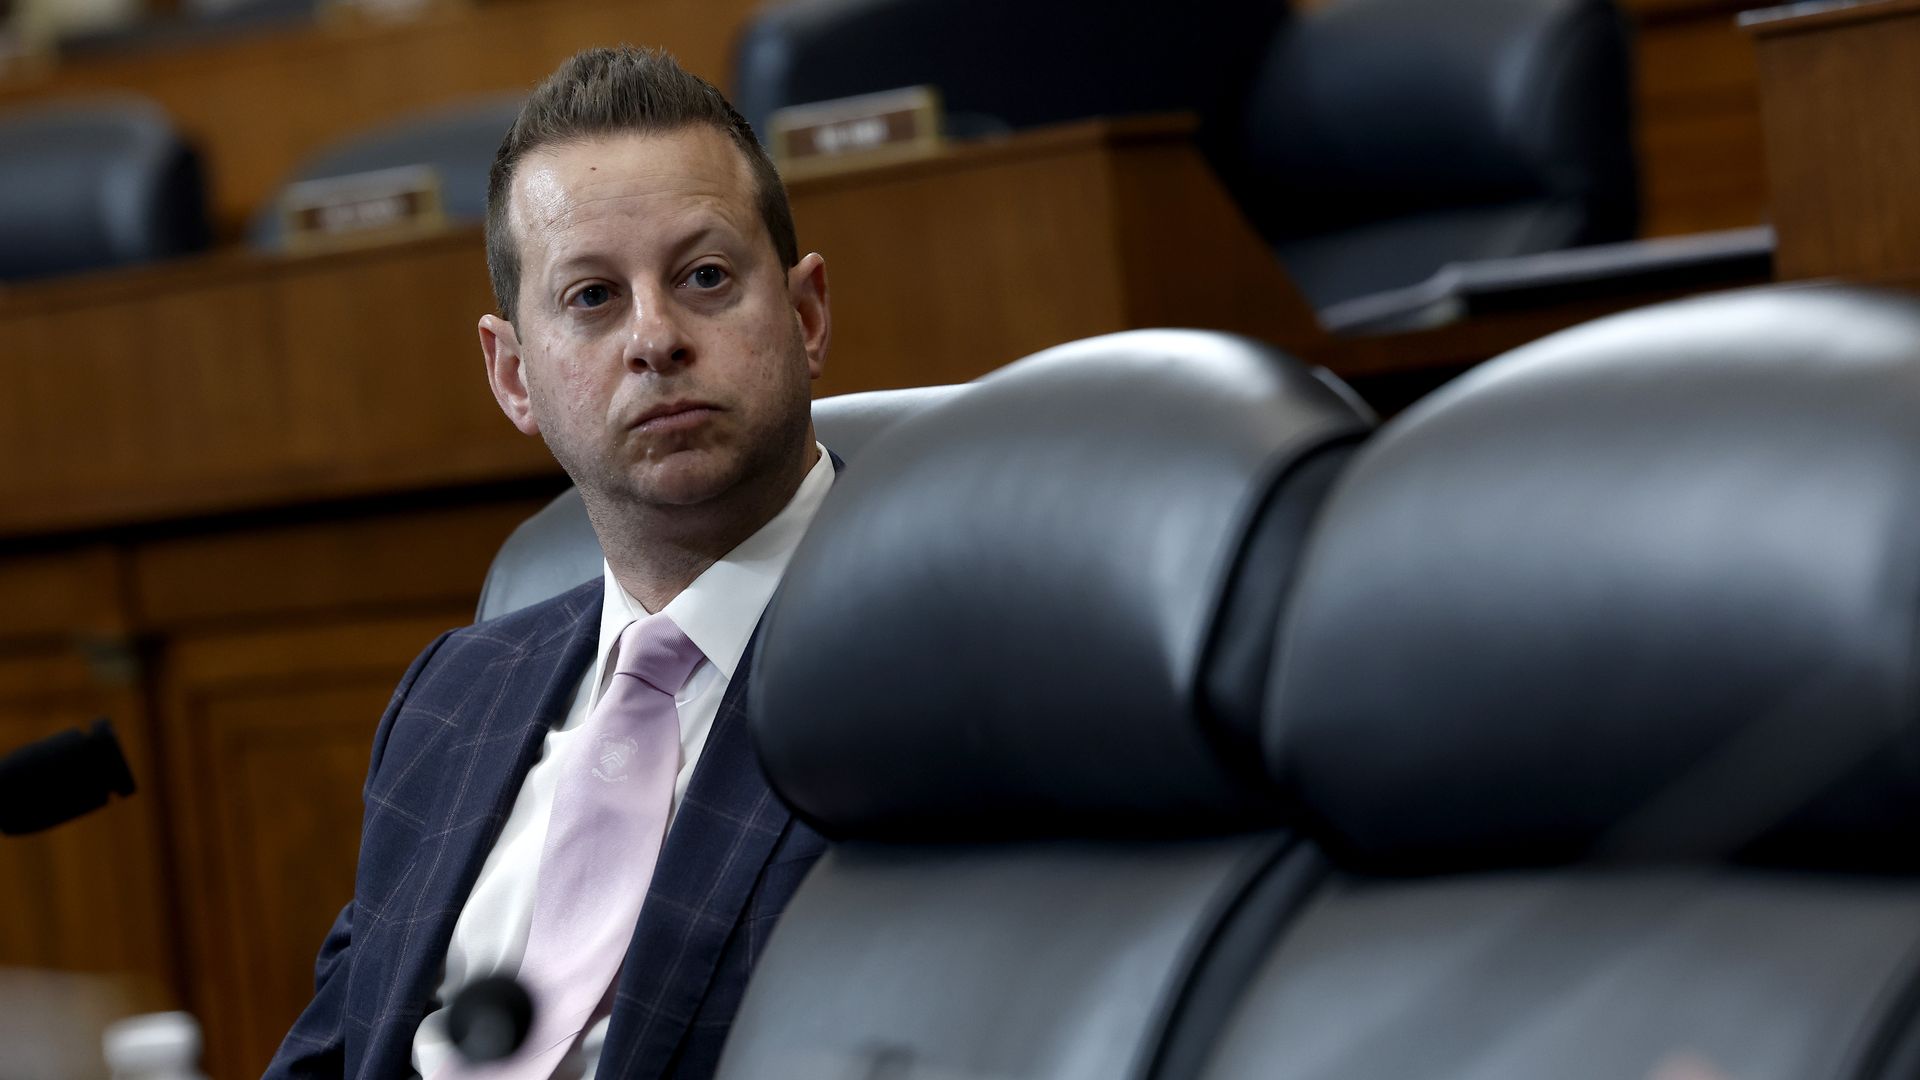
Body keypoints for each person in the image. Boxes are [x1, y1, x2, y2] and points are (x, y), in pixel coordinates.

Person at [266, 45, 833, 1080]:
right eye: (591, 298)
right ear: (514, 376)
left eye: (705, 278)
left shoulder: (929, 658)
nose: (655, 338)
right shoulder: (451, 699)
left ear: (804, 316)